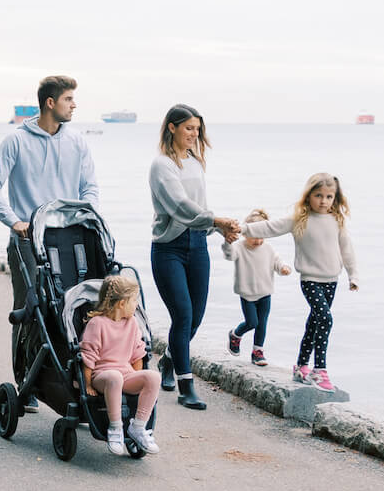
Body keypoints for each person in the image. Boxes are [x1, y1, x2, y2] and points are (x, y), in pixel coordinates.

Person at [0, 75, 99, 408]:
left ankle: (63, 380)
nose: (74, 105)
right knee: (30, 309)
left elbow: (89, 187)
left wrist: (86, 216)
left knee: (70, 307)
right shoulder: (16, 141)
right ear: (51, 102)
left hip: (69, 238)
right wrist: (14, 221)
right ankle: (26, 383)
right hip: (27, 240)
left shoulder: (77, 142)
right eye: (69, 99)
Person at [147, 104, 241, 410]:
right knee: (183, 314)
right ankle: (187, 385)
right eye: (189, 128)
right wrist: (217, 221)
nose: (194, 134)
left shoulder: (196, 162)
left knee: (196, 316)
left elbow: (198, 206)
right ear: (172, 127)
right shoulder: (162, 165)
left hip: (198, 244)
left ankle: (170, 362)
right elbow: (180, 206)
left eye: (197, 129)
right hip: (169, 248)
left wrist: (217, 230)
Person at [240, 172, 359, 392]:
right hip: (310, 280)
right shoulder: (299, 219)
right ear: (308, 196)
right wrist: (244, 229)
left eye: (329, 197)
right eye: (318, 195)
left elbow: (346, 249)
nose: (323, 201)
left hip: (331, 280)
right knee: (325, 318)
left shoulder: (337, 221)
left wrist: (353, 275)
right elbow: (270, 227)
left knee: (315, 322)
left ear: (335, 198)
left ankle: (301, 366)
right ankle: (319, 370)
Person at [77, 275, 162, 455]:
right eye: (134, 301)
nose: (136, 306)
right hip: (102, 375)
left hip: (125, 373)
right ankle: (115, 428)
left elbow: (138, 354)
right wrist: (88, 384)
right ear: (121, 303)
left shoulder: (131, 323)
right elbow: (88, 357)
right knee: (114, 376)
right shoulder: (97, 324)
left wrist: (138, 378)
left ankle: (138, 427)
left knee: (154, 377)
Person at [222, 208, 293, 366]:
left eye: (262, 236)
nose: (258, 240)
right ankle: (235, 335)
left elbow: (277, 261)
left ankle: (257, 352)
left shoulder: (268, 249)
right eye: (254, 236)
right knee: (252, 322)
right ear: (245, 233)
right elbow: (229, 255)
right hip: (247, 294)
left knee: (262, 324)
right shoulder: (239, 247)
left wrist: (283, 268)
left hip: (265, 292)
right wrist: (227, 243)